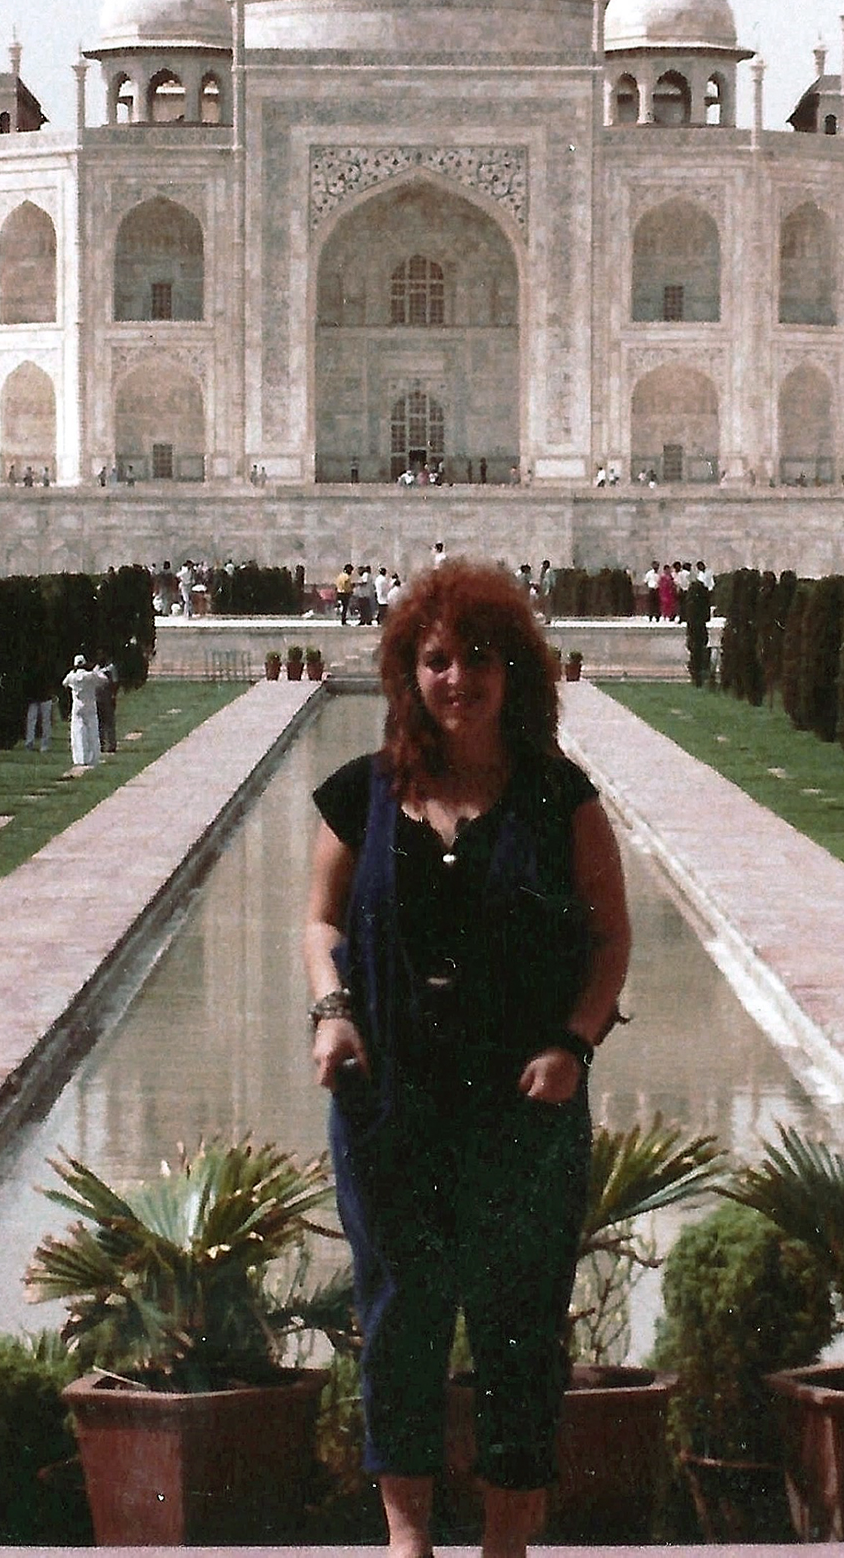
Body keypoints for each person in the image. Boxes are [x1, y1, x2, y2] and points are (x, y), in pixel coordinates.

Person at [301, 561, 631, 1558]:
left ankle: (504, 1544)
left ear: (511, 672)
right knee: (398, 1320)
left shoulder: (558, 798)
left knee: (518, 1326)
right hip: (390, 1104)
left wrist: (574, 1042)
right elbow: (317, 919)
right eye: (437, 659)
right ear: (409, 674)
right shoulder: (360, 794)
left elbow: (611, 936)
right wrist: (331, 1012)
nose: (457, 679)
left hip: (520, 1110)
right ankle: (407, 1544)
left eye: (477, 658)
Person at [62, 653, 111, 768]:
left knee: (77, 732)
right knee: (92, 732)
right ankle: (93, 757)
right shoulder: (90, 676)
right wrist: (97, 671)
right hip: (90, 706)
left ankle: (80, 758)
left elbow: (64, 683)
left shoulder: (71, 676)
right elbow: (104, 680)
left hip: (77, 706)